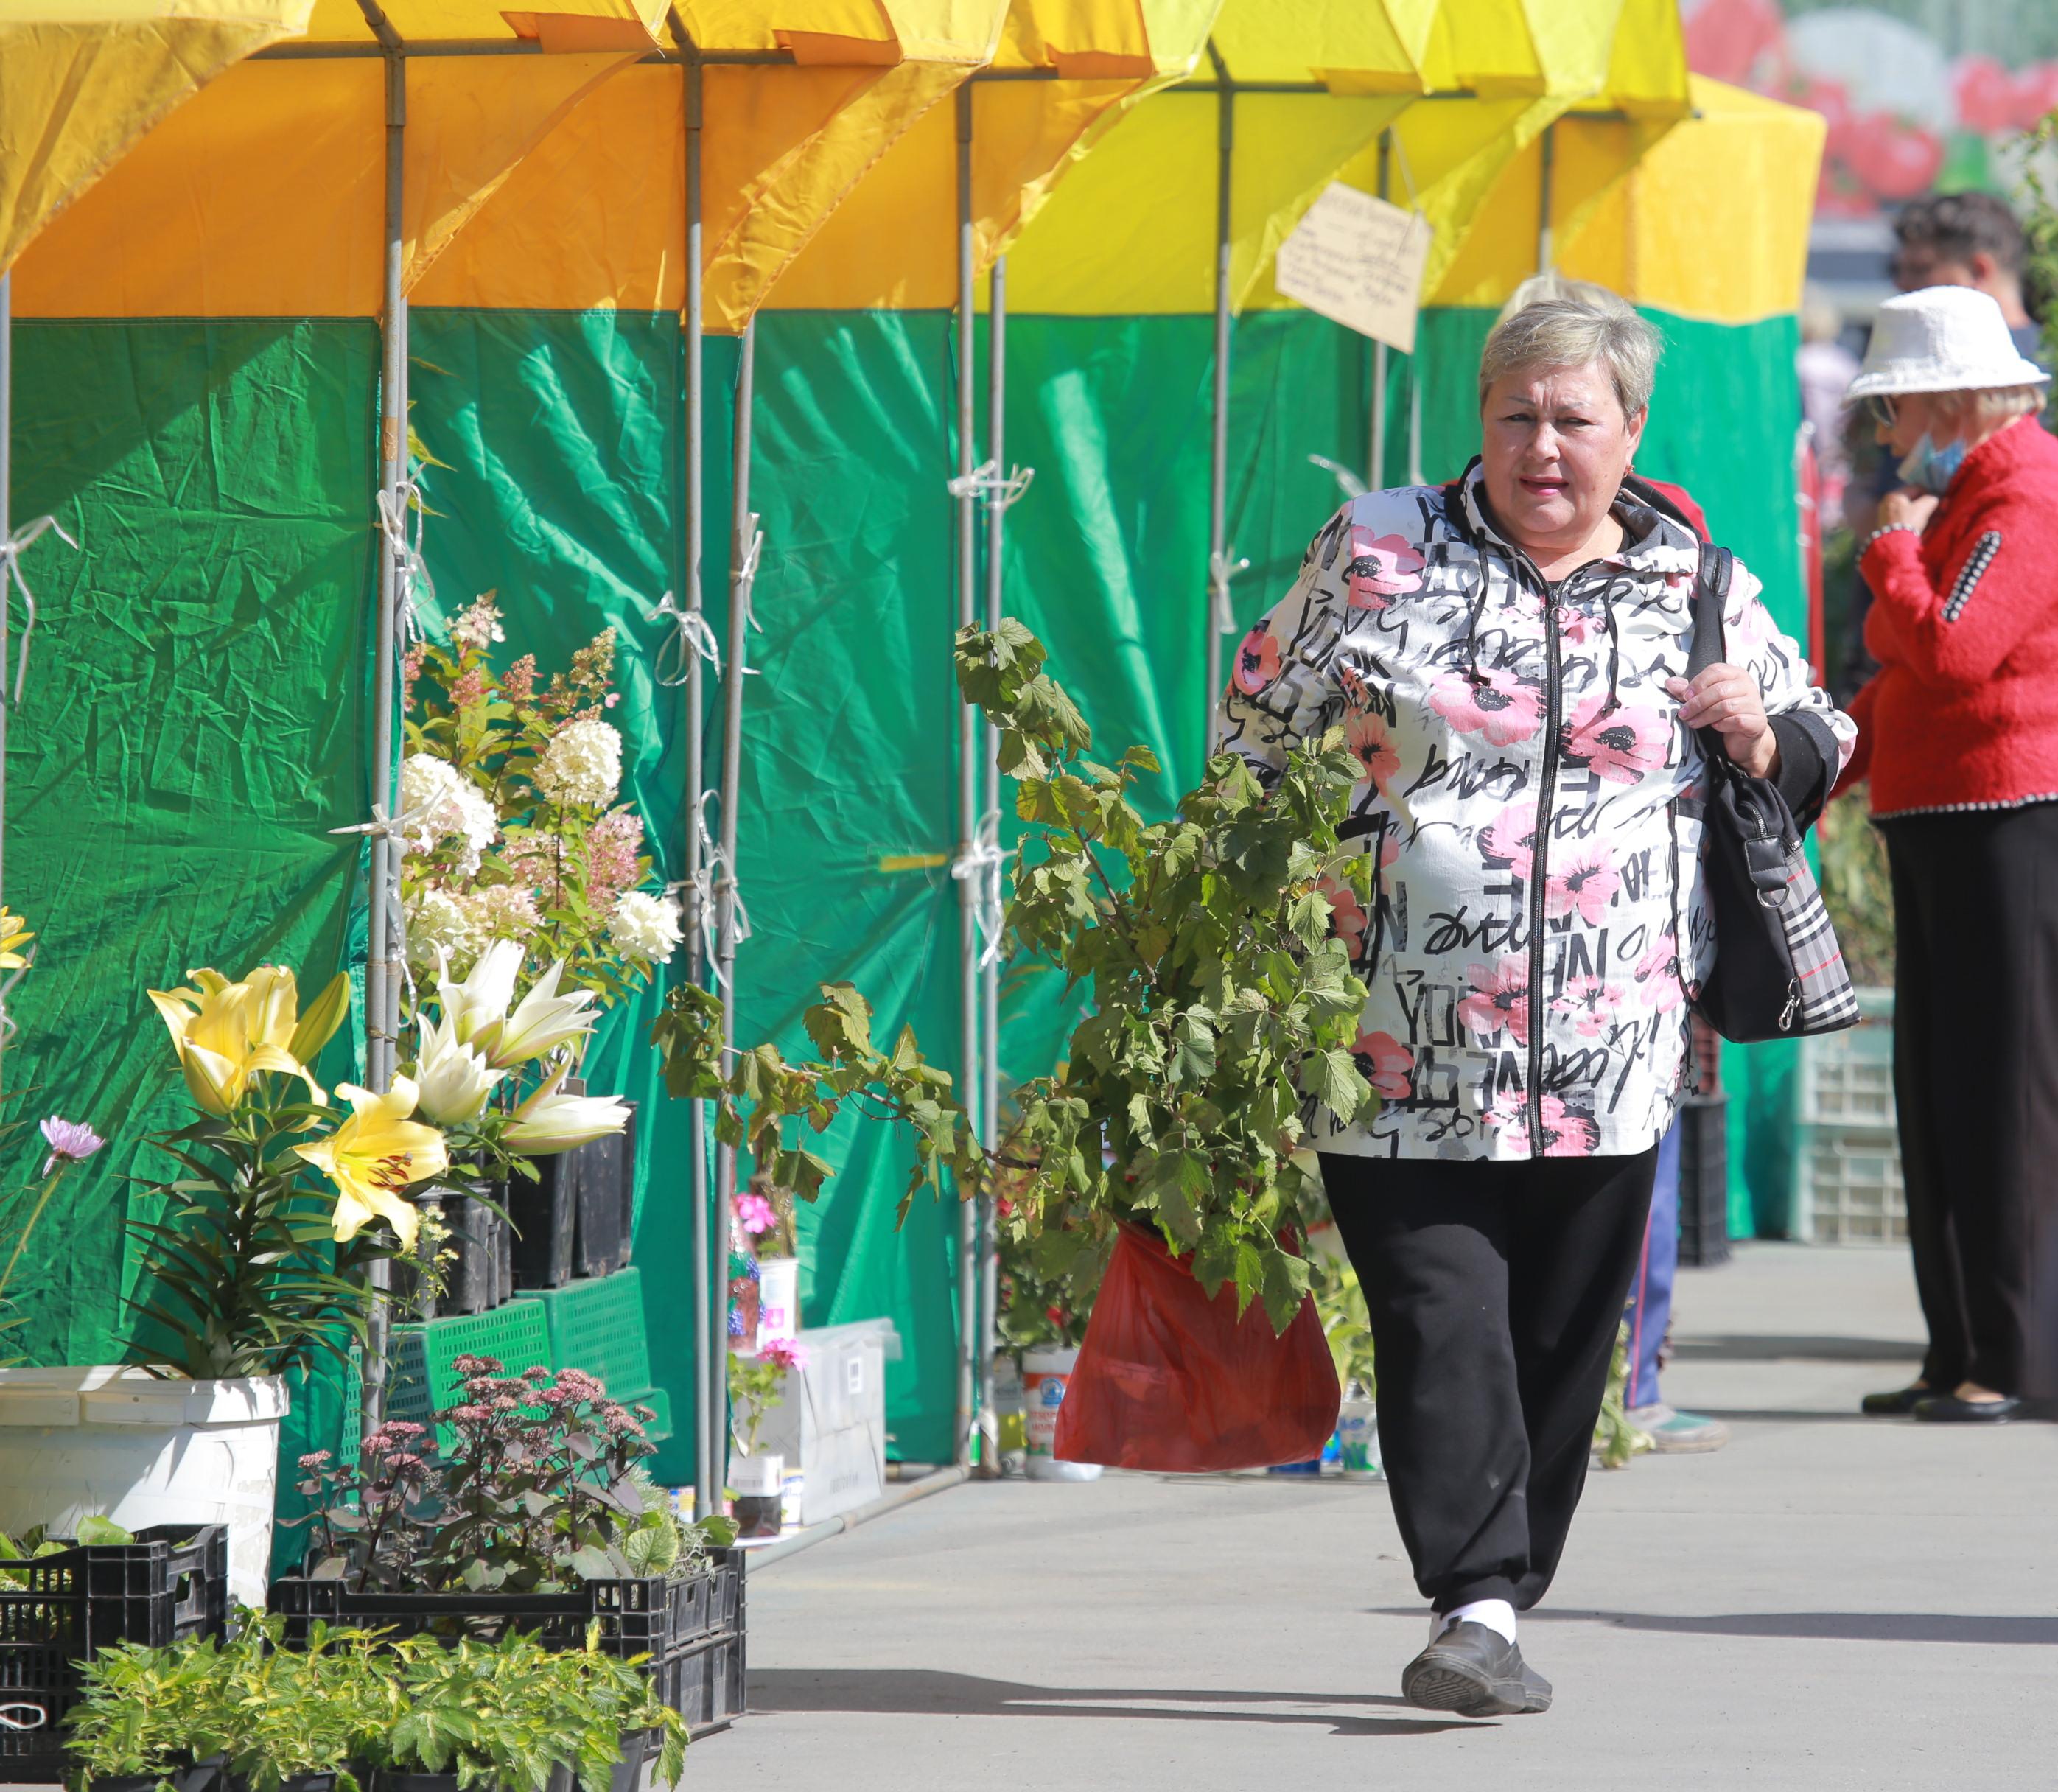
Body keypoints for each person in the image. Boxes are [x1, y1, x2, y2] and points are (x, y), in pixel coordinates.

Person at [1219, 290, 1854, 1716]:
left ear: (1630, 430)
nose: (1542, 447)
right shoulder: (1381, 546)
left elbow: (1823, 727)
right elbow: (1254, 717)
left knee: (1563, 1340)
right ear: (1480, 422)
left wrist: (1758, 727)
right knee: (1438, 1314)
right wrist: (1296, 882)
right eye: (1515, 415)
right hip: (1391, 1031)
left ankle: (1500, 1594)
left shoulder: (1694, 579)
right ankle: (1474, 1596)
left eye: (1574, 420)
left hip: (1610, 1039)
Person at [1835, 284, 2058, 1425]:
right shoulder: (1965, 497)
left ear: (1957, 395)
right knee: (1938, 1094)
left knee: (2001, 1094)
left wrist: (1887, 556)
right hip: (1938, 814)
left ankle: (2011, 1356)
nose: (1888, 431)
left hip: (2005, 815)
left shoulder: (2023, 490)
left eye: (1901, 404)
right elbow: (1907, 661)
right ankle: (1957, 1345)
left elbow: (1949, 645)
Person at [1841, 192, 2048, 698]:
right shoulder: (1963, 460)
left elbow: (1950, 655)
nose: (1902, 284)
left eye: (1920, 268)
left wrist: (1889, 540)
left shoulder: (2025, 490)